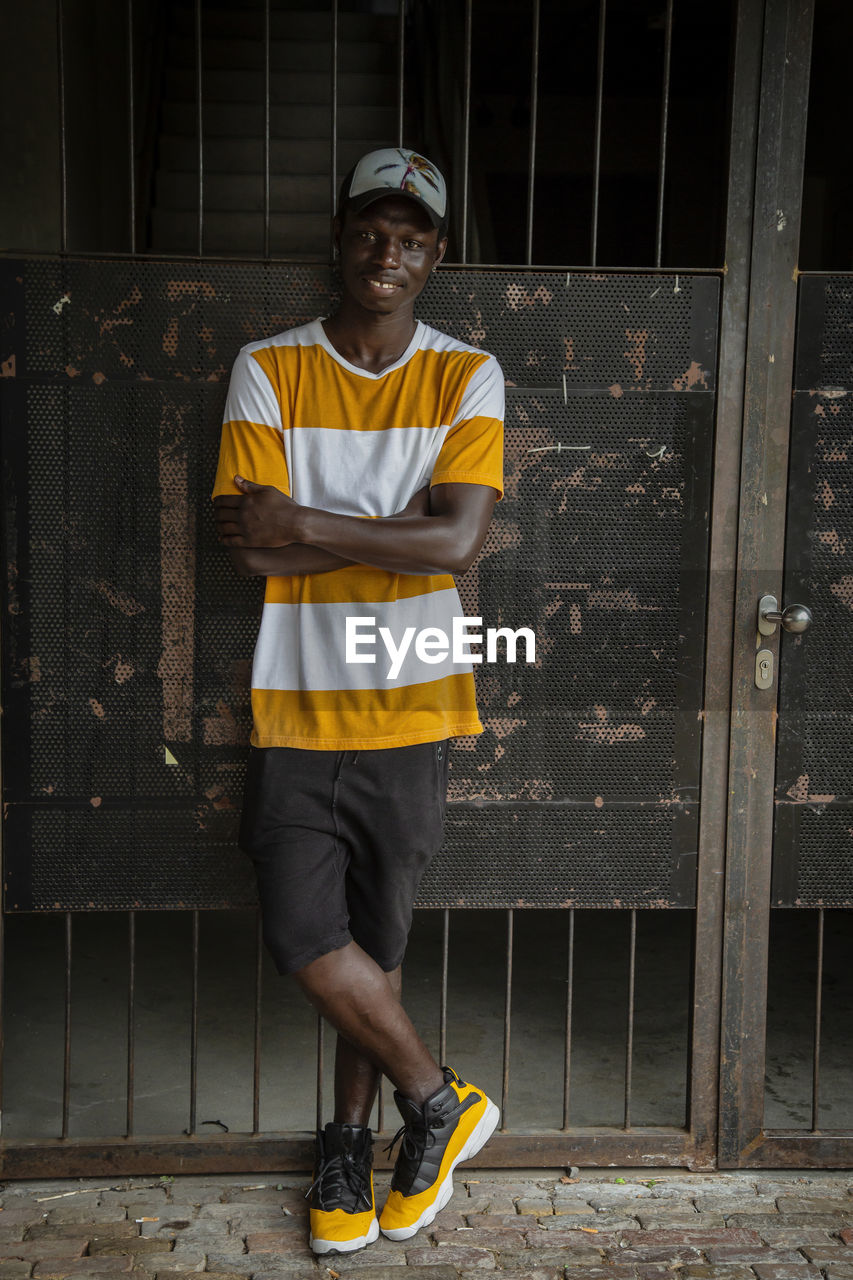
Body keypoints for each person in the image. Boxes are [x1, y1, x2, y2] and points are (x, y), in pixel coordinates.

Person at [212, 147, 504, 1257]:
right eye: (372, 231)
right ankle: (438, 1099)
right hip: (296, 700)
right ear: (339, 240)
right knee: (303, 930)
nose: (390, 253)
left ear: (436, 256)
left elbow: (460, 542)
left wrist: (308, 526)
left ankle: (348, 1139)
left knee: (374, 940)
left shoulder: (465, 373)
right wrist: (381, 539)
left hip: (417, 702)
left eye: (413, 237)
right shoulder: (267, 366)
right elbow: (249, 553)